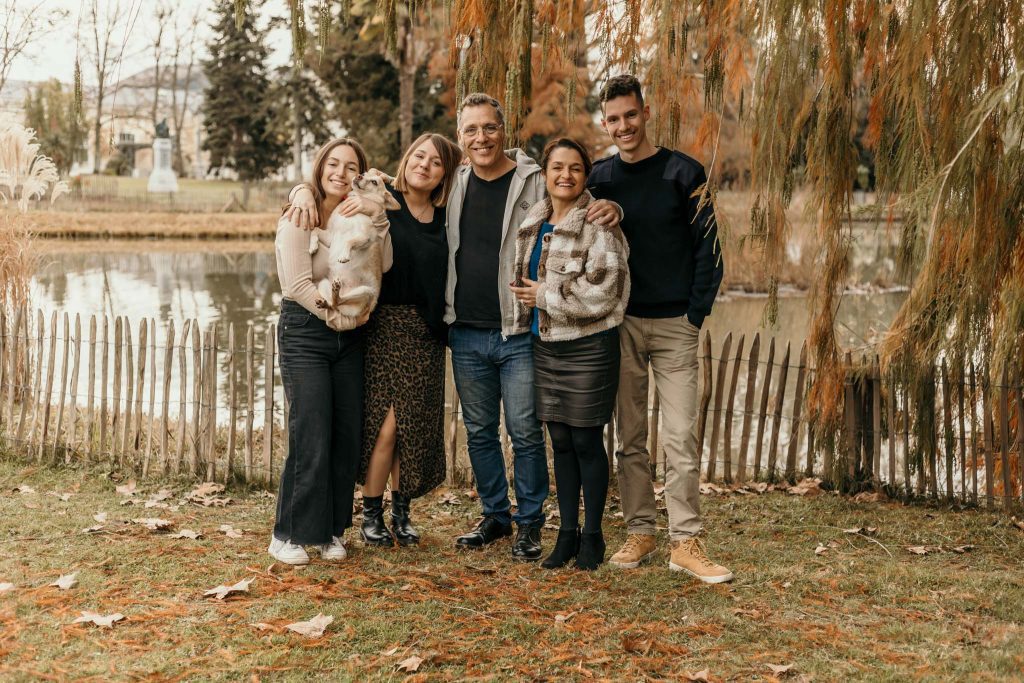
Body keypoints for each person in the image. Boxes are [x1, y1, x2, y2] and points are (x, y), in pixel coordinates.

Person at [446, 93, 623, 560]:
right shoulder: (454, 179)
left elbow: (585, 186)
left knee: (526, 431)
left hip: (521, 328)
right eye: (470, 130)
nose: (480, 137)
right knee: (480, 430)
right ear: (459, 137)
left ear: (503, 131)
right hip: (465, 329)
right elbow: (400, 181)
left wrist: (615, 208)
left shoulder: (531, 179)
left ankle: (530, 524)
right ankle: (495, 516)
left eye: (489, 127)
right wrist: (303, 192)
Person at [588, 74, 732, 583]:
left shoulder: (683, 172)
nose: (623, 126)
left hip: (675, 325)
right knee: (629, 435)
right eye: (613, 119)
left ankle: (685, 540)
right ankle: (641, 530)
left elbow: (709, 250)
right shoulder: (599, 178)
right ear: (605, 123)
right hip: (620, 322)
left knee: (680, 435)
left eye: (630, 115)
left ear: (646, 113)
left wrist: (694, 314)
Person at [287, 134, 462, 548]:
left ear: (445, 173)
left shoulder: (448, 215)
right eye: (419, 156)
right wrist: (300, 191)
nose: (425, 166)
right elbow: (332, 183)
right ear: (406, 159)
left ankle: (401, 514)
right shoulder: (380, 199)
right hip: (382, 327)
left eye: (436, 162)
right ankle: (370, 513)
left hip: (426, 333)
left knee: (411, 428)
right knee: (385, 426)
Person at [510, 138, 630, 570]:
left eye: (575, 168)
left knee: (584, 438)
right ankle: (566, 534)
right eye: (557, 167)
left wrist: (544, 294)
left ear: (586, 175)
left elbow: (605, 292)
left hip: (590, 346)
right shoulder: (534, 222)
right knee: (558, 439)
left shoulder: (599, 223)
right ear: (544, 174)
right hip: (547, 346)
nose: (565, 175)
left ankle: (593, 536)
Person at [271, 137, 391, 566]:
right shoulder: (299, 215)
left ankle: (328, 532)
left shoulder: (356, 212)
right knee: (312, 432)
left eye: (351, 167)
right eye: (333, 164)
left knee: (345, 434)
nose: (341, 173)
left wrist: (378, 218)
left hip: (351, 334)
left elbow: (386, 263)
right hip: (308, 330)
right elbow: (296, 286)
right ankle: (287, 533)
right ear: (320, 168)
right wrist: (336, 315)